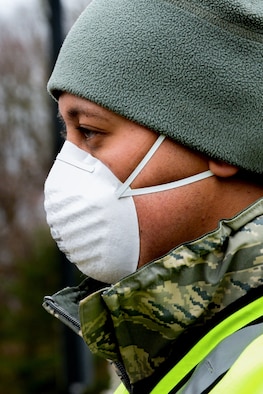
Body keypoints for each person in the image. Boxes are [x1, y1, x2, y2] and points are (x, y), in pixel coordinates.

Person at [43, 0, 263, 393]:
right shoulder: (157, 360)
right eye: (67, 134)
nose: (68, 165)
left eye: (90, 131)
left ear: (216, 135)